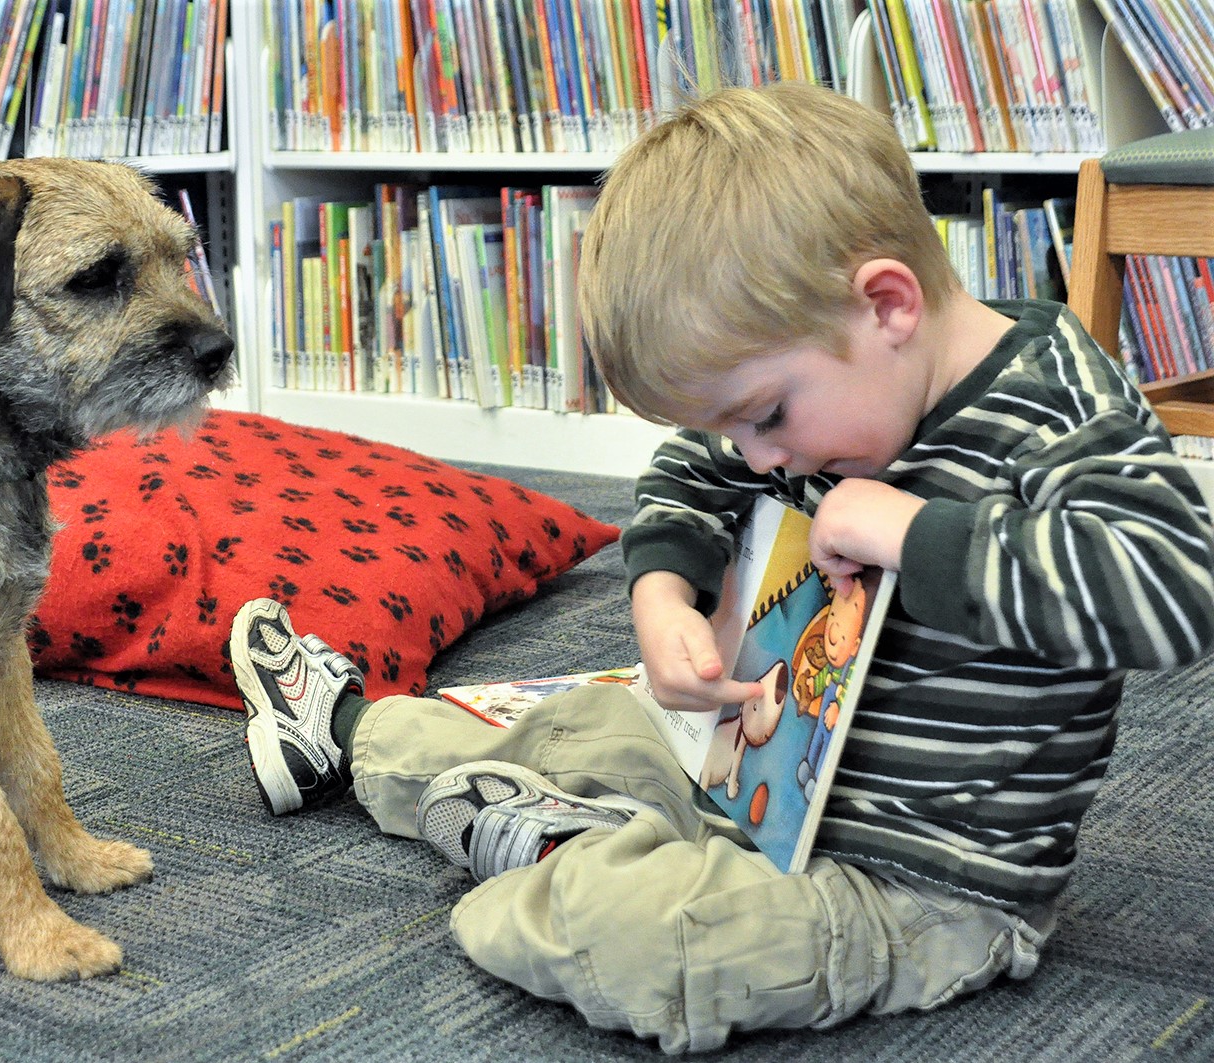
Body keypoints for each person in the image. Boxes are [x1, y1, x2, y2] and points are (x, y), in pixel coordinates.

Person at [228, 80, 1214, 1054]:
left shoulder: (1061, 411)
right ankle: (351, 733)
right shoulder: (798, 397)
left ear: (886, 304)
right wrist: (661, 596)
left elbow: (1174, 589)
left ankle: (564, 854)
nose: (753, 458)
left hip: (917, 889)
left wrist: (911, 530)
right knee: (580, 721)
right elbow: (688, 474)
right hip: (742, 786)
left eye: (763, 416)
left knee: (638, 938)